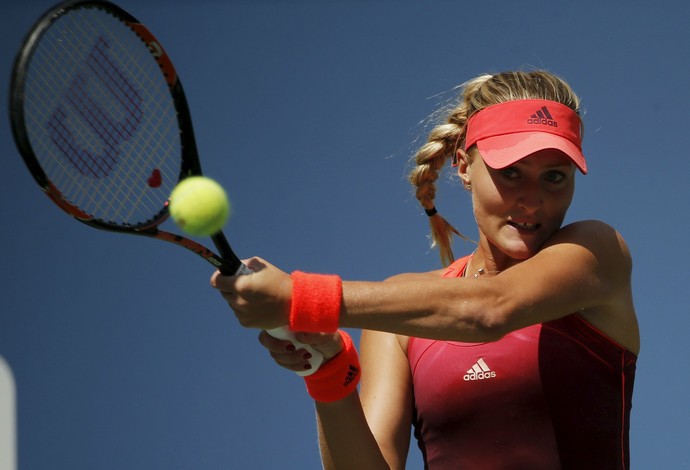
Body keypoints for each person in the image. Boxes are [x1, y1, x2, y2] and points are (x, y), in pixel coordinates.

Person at [211, 70, 639, 469]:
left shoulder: (597, 252)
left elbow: (490, 310)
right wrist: (327, 370)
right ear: (462, 166)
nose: (532, 198)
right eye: (510, 172)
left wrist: (303, 298)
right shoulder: (397, 323)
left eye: (554, 177)